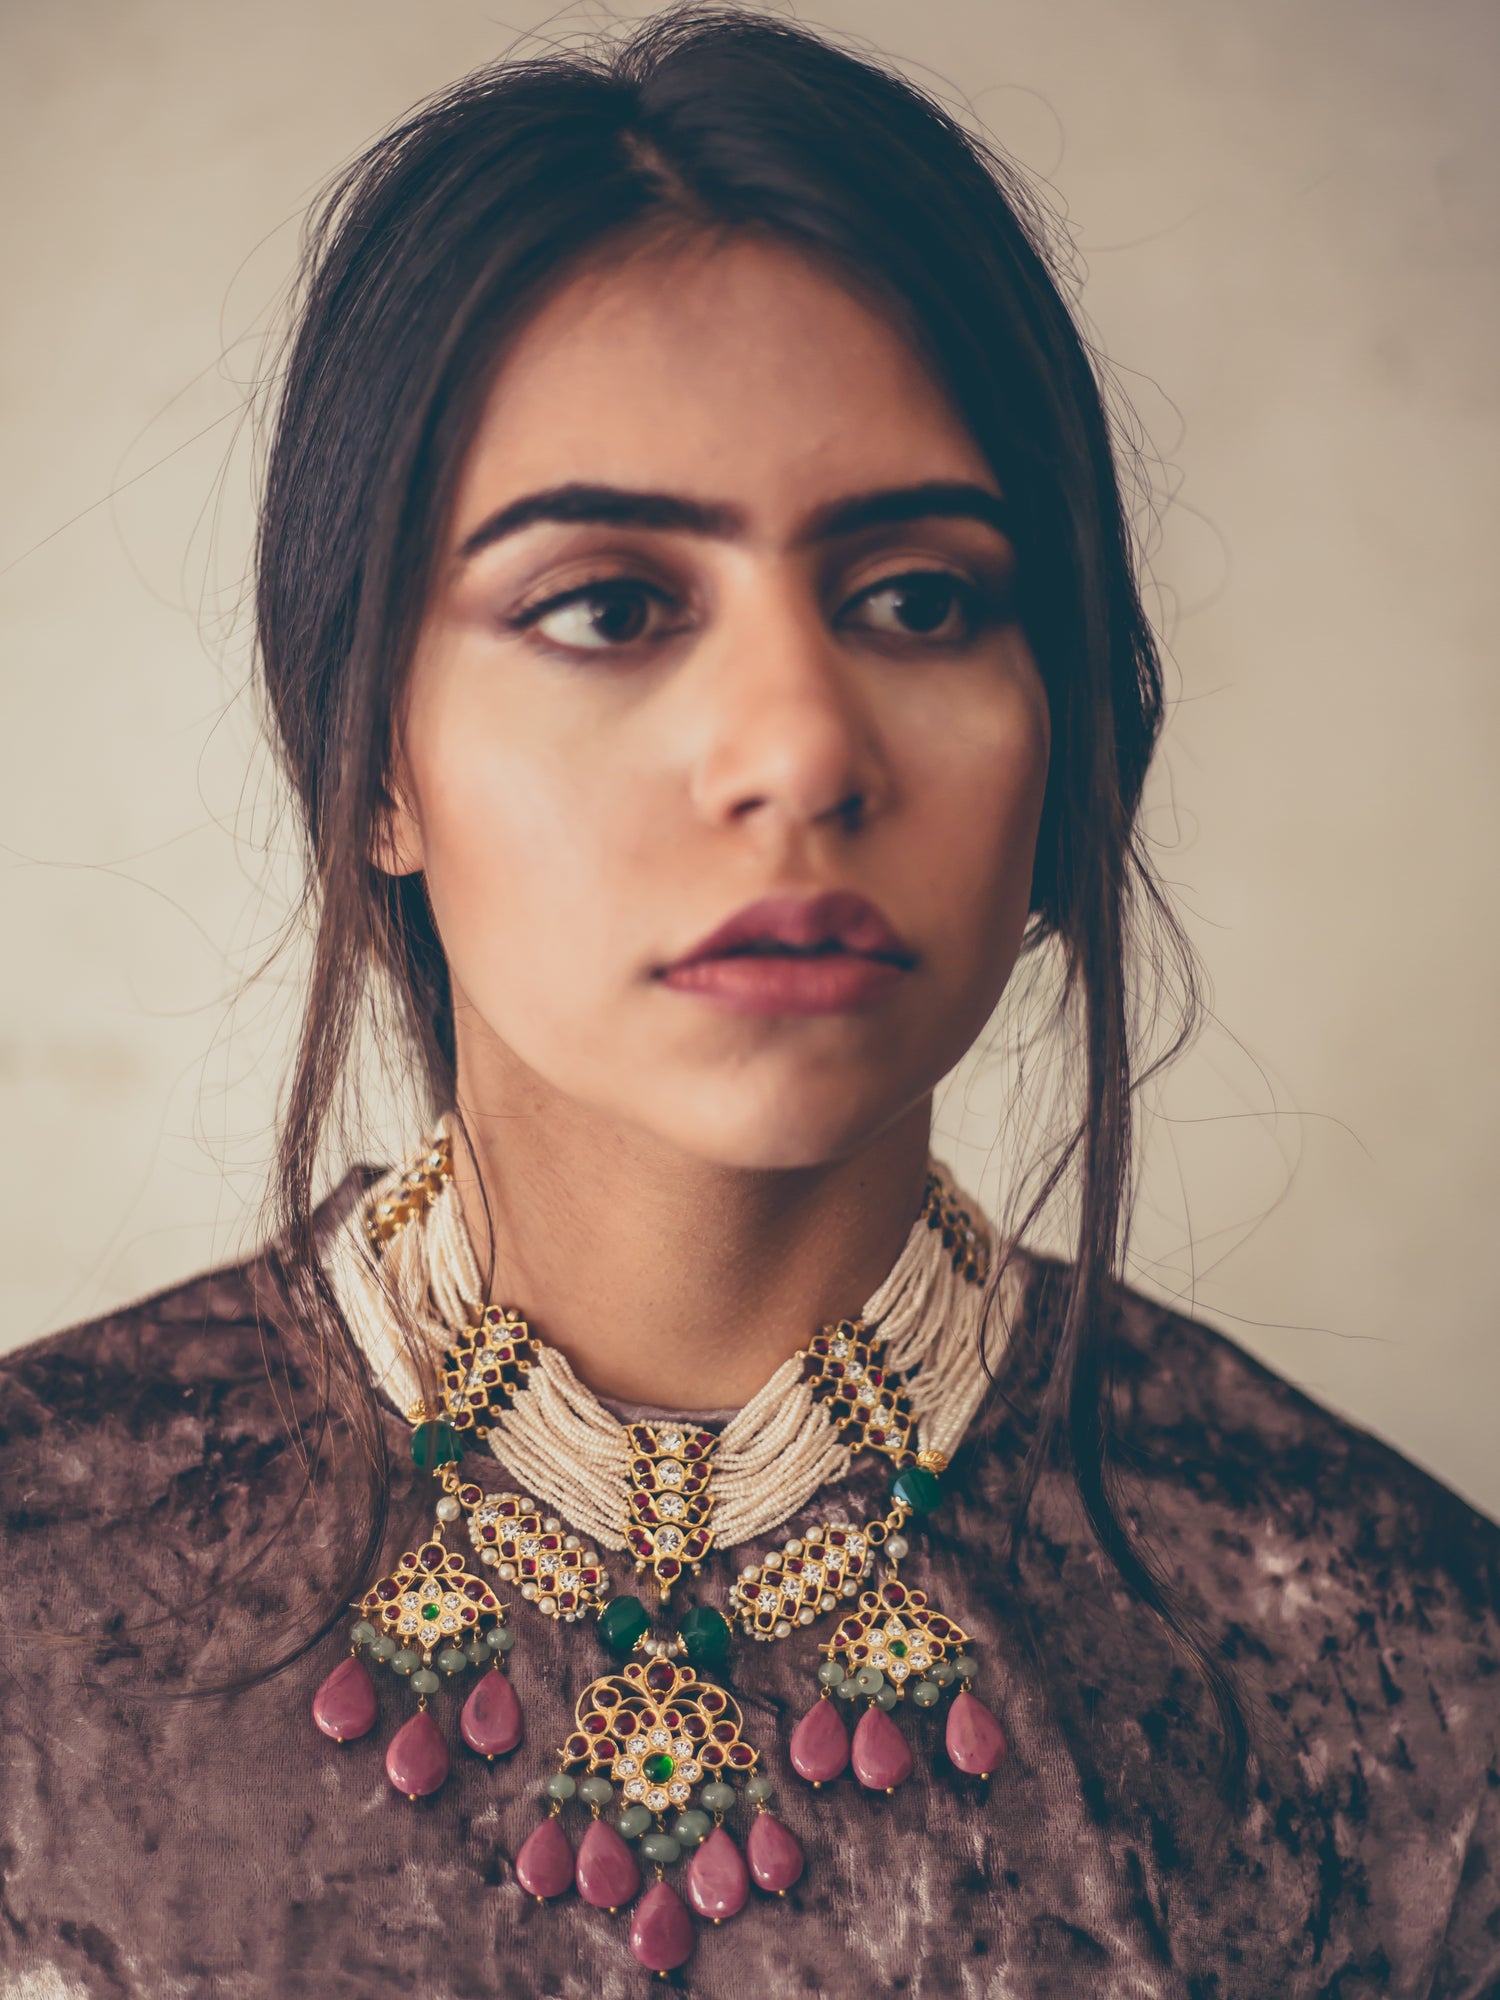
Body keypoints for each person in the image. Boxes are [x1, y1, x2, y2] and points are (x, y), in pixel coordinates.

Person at [2, 9, 1496, 1996]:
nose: (799, 744)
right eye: (611, 606)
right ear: (371, 758)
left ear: (1062, 740)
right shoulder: (41, 1587)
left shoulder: (1395, 1669)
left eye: (923, 599)